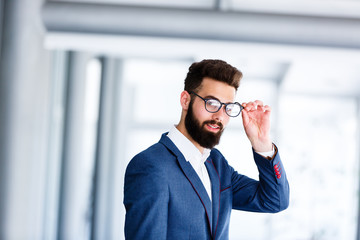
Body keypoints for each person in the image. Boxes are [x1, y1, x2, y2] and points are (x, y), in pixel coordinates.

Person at [123, 59, 289, 240]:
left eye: (227, 107)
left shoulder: (217, 164)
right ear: (185, 100)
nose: (219, 116)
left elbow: (275, 201)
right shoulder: (150, 166)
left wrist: (261, 142)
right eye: (212, 103)